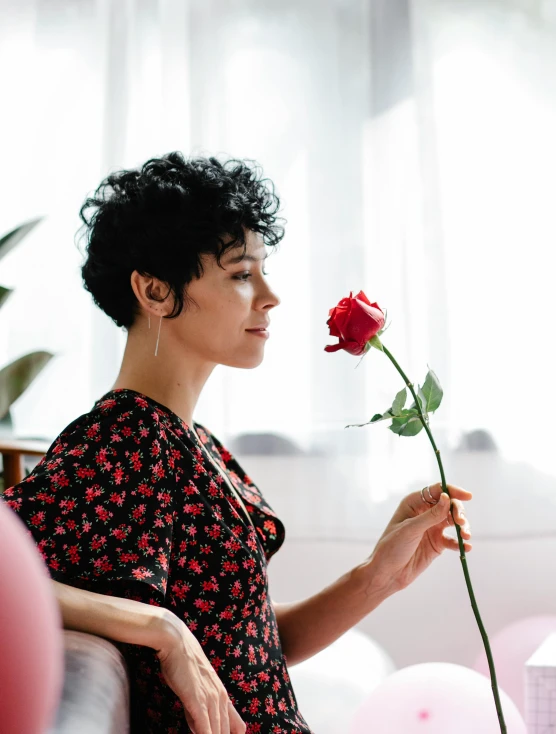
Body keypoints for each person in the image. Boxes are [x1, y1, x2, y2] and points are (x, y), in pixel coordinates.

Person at [3, 152, 473, 734]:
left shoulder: (195, 442)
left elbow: (250, 648)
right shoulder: (124, 438)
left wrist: (379, 575)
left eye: (263, 269)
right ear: (154, 290)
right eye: (241, 273)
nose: (270, 295)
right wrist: (161, 629)